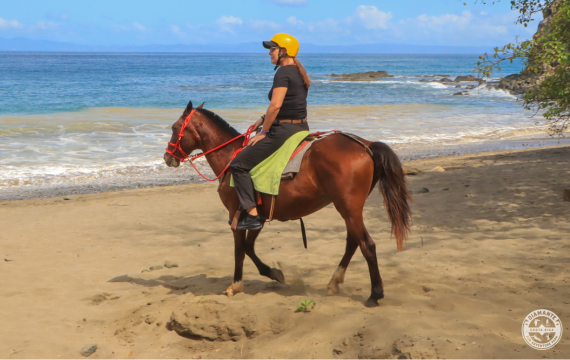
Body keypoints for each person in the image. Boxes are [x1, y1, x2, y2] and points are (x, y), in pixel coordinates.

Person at [230, 33, 311, 230]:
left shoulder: (282, 73)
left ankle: (252, 215)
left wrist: (263, 132)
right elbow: (289, 105)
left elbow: (275, 106)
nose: (269, 53)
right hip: (300, 126)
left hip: (284, 130)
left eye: (272, 49)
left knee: (238, 164)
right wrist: (262, 120)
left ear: (283, 51)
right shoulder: (298, 71)